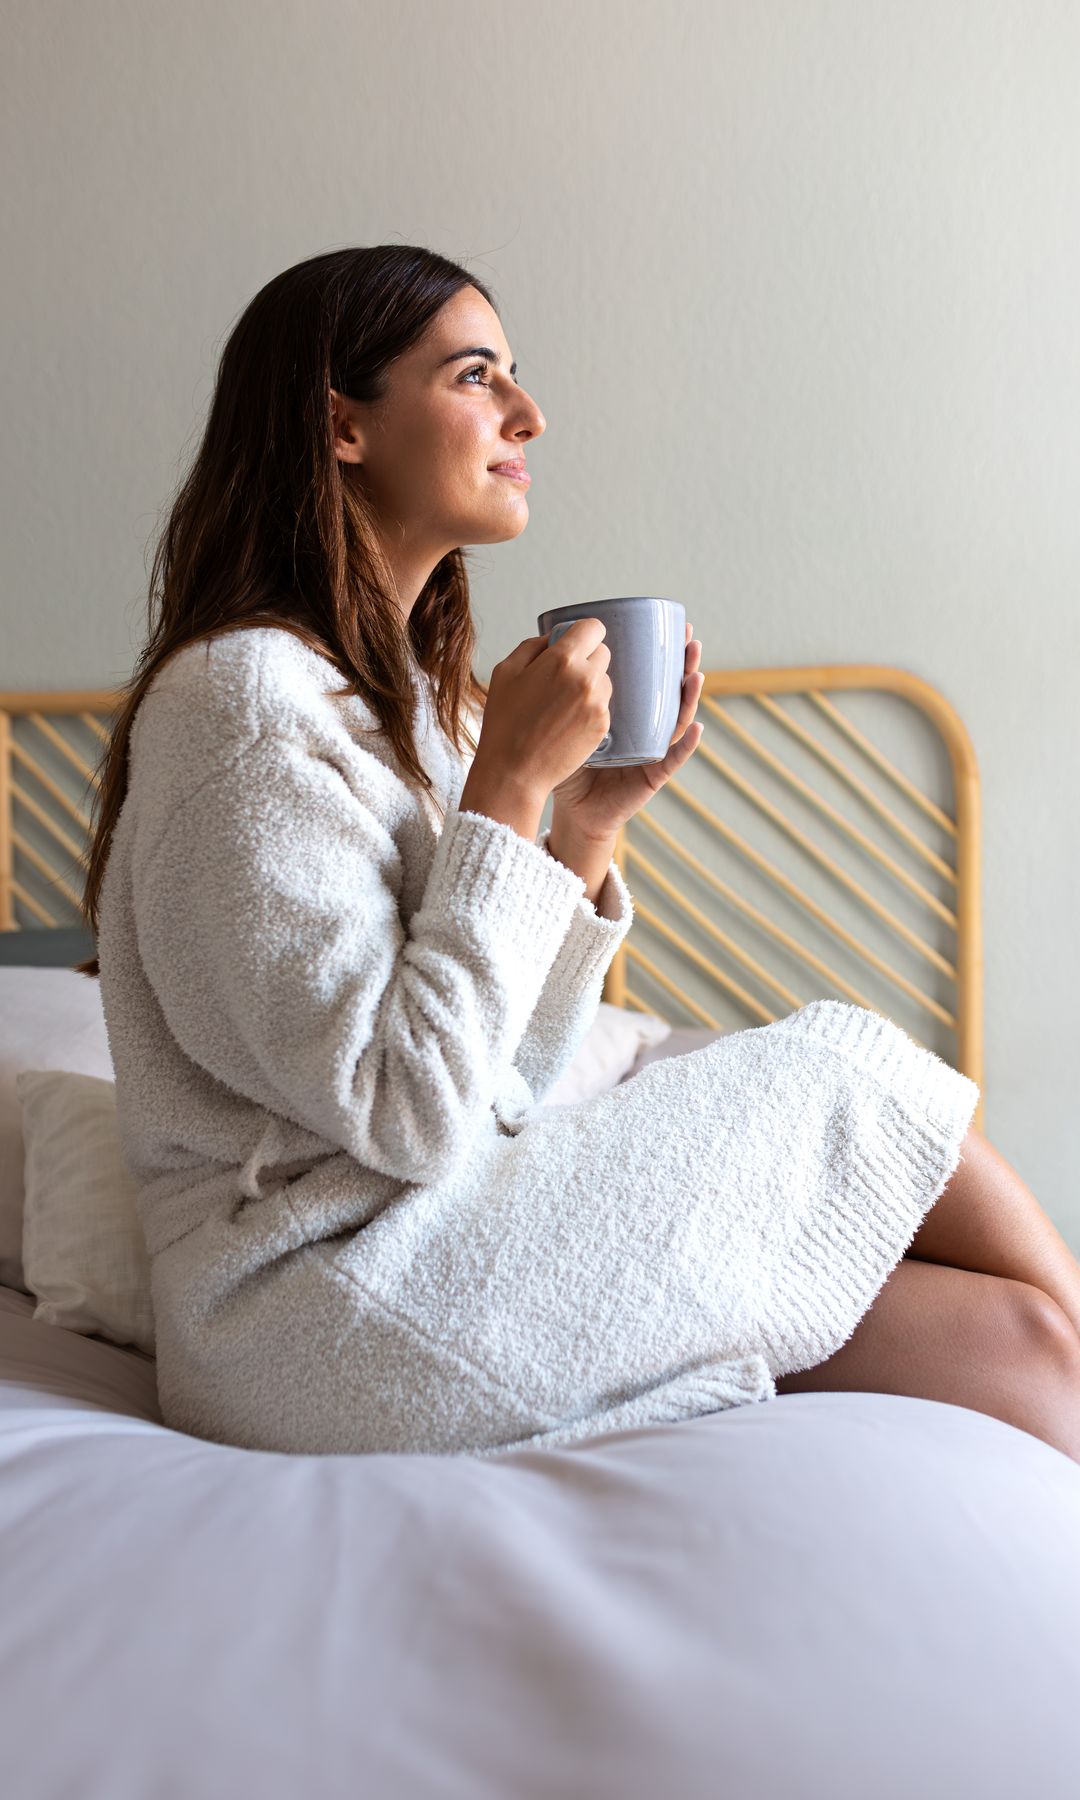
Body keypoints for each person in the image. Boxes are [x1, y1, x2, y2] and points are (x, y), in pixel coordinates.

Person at [78, 245, 1080, 1462]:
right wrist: (503, 792)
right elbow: (408, 1110)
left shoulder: (404, 707)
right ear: (342, 425)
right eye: (476, 375)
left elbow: (504, 1079)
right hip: (309, 1309)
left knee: (1022, 1341)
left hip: (418, 1235)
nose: (528, 415)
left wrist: (581, 825)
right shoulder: (240, 708)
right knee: (842, 1073)